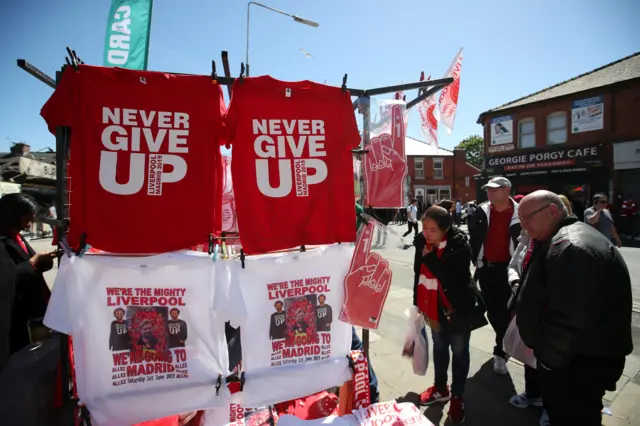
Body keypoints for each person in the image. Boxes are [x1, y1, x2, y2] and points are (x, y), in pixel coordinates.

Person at [516, 190, 632, 426]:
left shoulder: (570, 246)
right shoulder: (561, 239)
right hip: (575, 363)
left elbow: (571, 319)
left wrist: (548, 362)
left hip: (576, 367)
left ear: (552, 211)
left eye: (528, 217)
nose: (524, 225)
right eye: (521, 219)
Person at [413, 206, 483, 424]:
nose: (427, 233)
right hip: (433, 308)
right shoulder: (422, 244)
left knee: (460, 352)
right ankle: (440, 388)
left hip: (458, 308)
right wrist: (418, 303)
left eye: (433, 229)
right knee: (440, 348)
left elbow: (454, 280)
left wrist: (431, 259)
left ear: (445, 229)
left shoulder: (459, 245)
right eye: (424, 228)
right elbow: (418, 273)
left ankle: (457, 396)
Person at [468, 176, 521, 375]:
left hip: (510, 269)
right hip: (487, 268)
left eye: (494, 190)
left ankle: (501, 352)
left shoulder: (520, 212)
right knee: (492, 311)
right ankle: (505, 344)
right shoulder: (481, 210)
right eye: (488, 190)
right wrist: (476, 261)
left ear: (507, 190)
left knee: (506, 311)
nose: (489, 193)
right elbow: (473, 237)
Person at [0, 193, 55, 354]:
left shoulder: (17, 236)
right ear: (13, 216)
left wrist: (43, 261)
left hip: (30, 313)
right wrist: (32, 263)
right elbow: (6, 276)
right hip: (13, 317)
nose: (29, 225)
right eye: (26, 219)